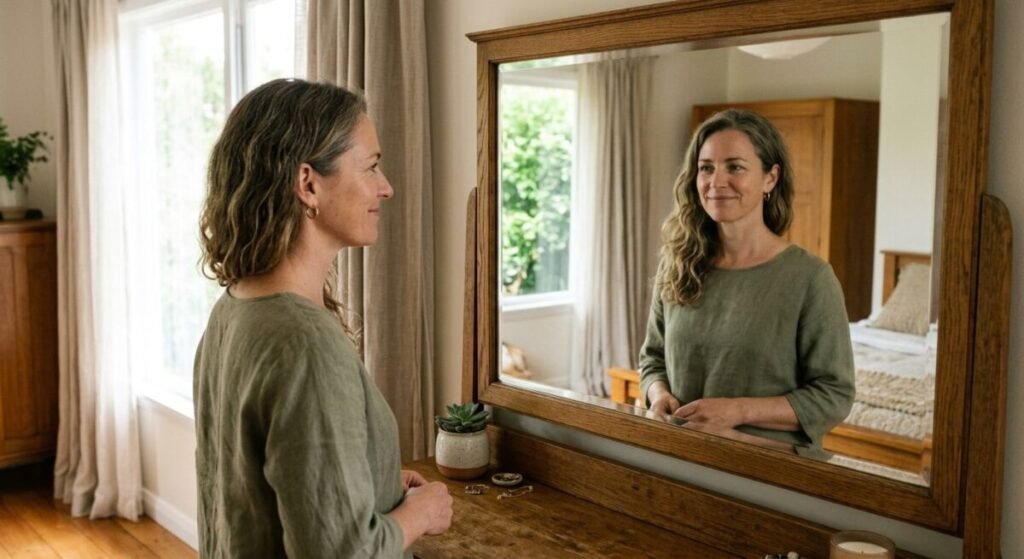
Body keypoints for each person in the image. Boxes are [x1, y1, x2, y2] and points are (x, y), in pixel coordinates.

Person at [194, 79, 452, 558]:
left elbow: (254, 487)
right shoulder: (304, 343)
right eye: (372, 167)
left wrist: (367, 477)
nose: (386, 187)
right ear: (308, 183)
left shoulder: (234, 310)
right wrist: (423, 513)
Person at [639, 109, 855, 448]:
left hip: (765, 470)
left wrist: (737, 411)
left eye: (735, 167)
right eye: (706, 168)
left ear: (770, 178)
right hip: (679, 458)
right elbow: (652, 359)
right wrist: (658, 393)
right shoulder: (678, 263)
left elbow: (834, 395)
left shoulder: (810, 278)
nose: (716, 181)